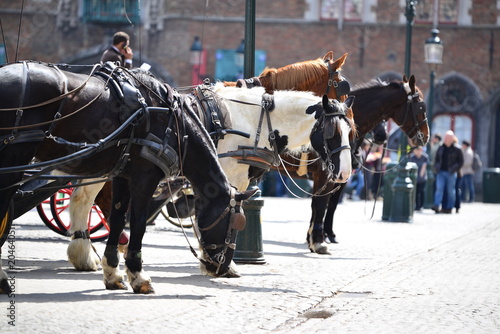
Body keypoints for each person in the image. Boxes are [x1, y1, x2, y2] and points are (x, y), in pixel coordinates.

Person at [432, 130, 464, 214]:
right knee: (439, 189)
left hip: (451, 172)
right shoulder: (441, 147)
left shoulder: (457, 149)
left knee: (451, 191)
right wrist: (436, 167)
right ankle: (436, 205)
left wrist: (454, 169)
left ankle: (449, 207)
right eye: (445, 137)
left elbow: (461, 162)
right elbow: (437, 159)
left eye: (448, 137)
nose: (446, 139)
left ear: (452, 139)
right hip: (441, 172)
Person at [408, 146, 429, 211]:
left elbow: (424, 167)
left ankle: (421, 205)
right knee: (416, 192)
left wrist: (420, 176)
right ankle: (416, 205)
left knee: (422, 191)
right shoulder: (412, 157)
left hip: (422, 177)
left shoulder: (425, 157)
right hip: (414, 177)